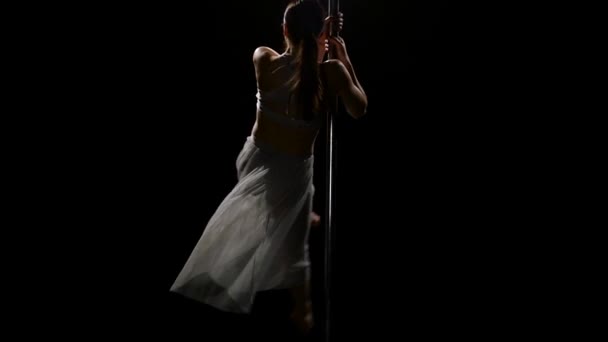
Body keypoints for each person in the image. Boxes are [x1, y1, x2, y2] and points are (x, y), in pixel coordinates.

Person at [170, 0, 367, 337]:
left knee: (277, 194)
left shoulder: (263, 57)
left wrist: (317, 40)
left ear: (285, 30)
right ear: (321, 33)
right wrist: (340, 54)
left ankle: (289, 209)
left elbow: (295, 66)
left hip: (254, 159)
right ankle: (301, 311)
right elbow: (358, 108)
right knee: (294, 246)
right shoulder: (330, 72)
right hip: (291, 171)